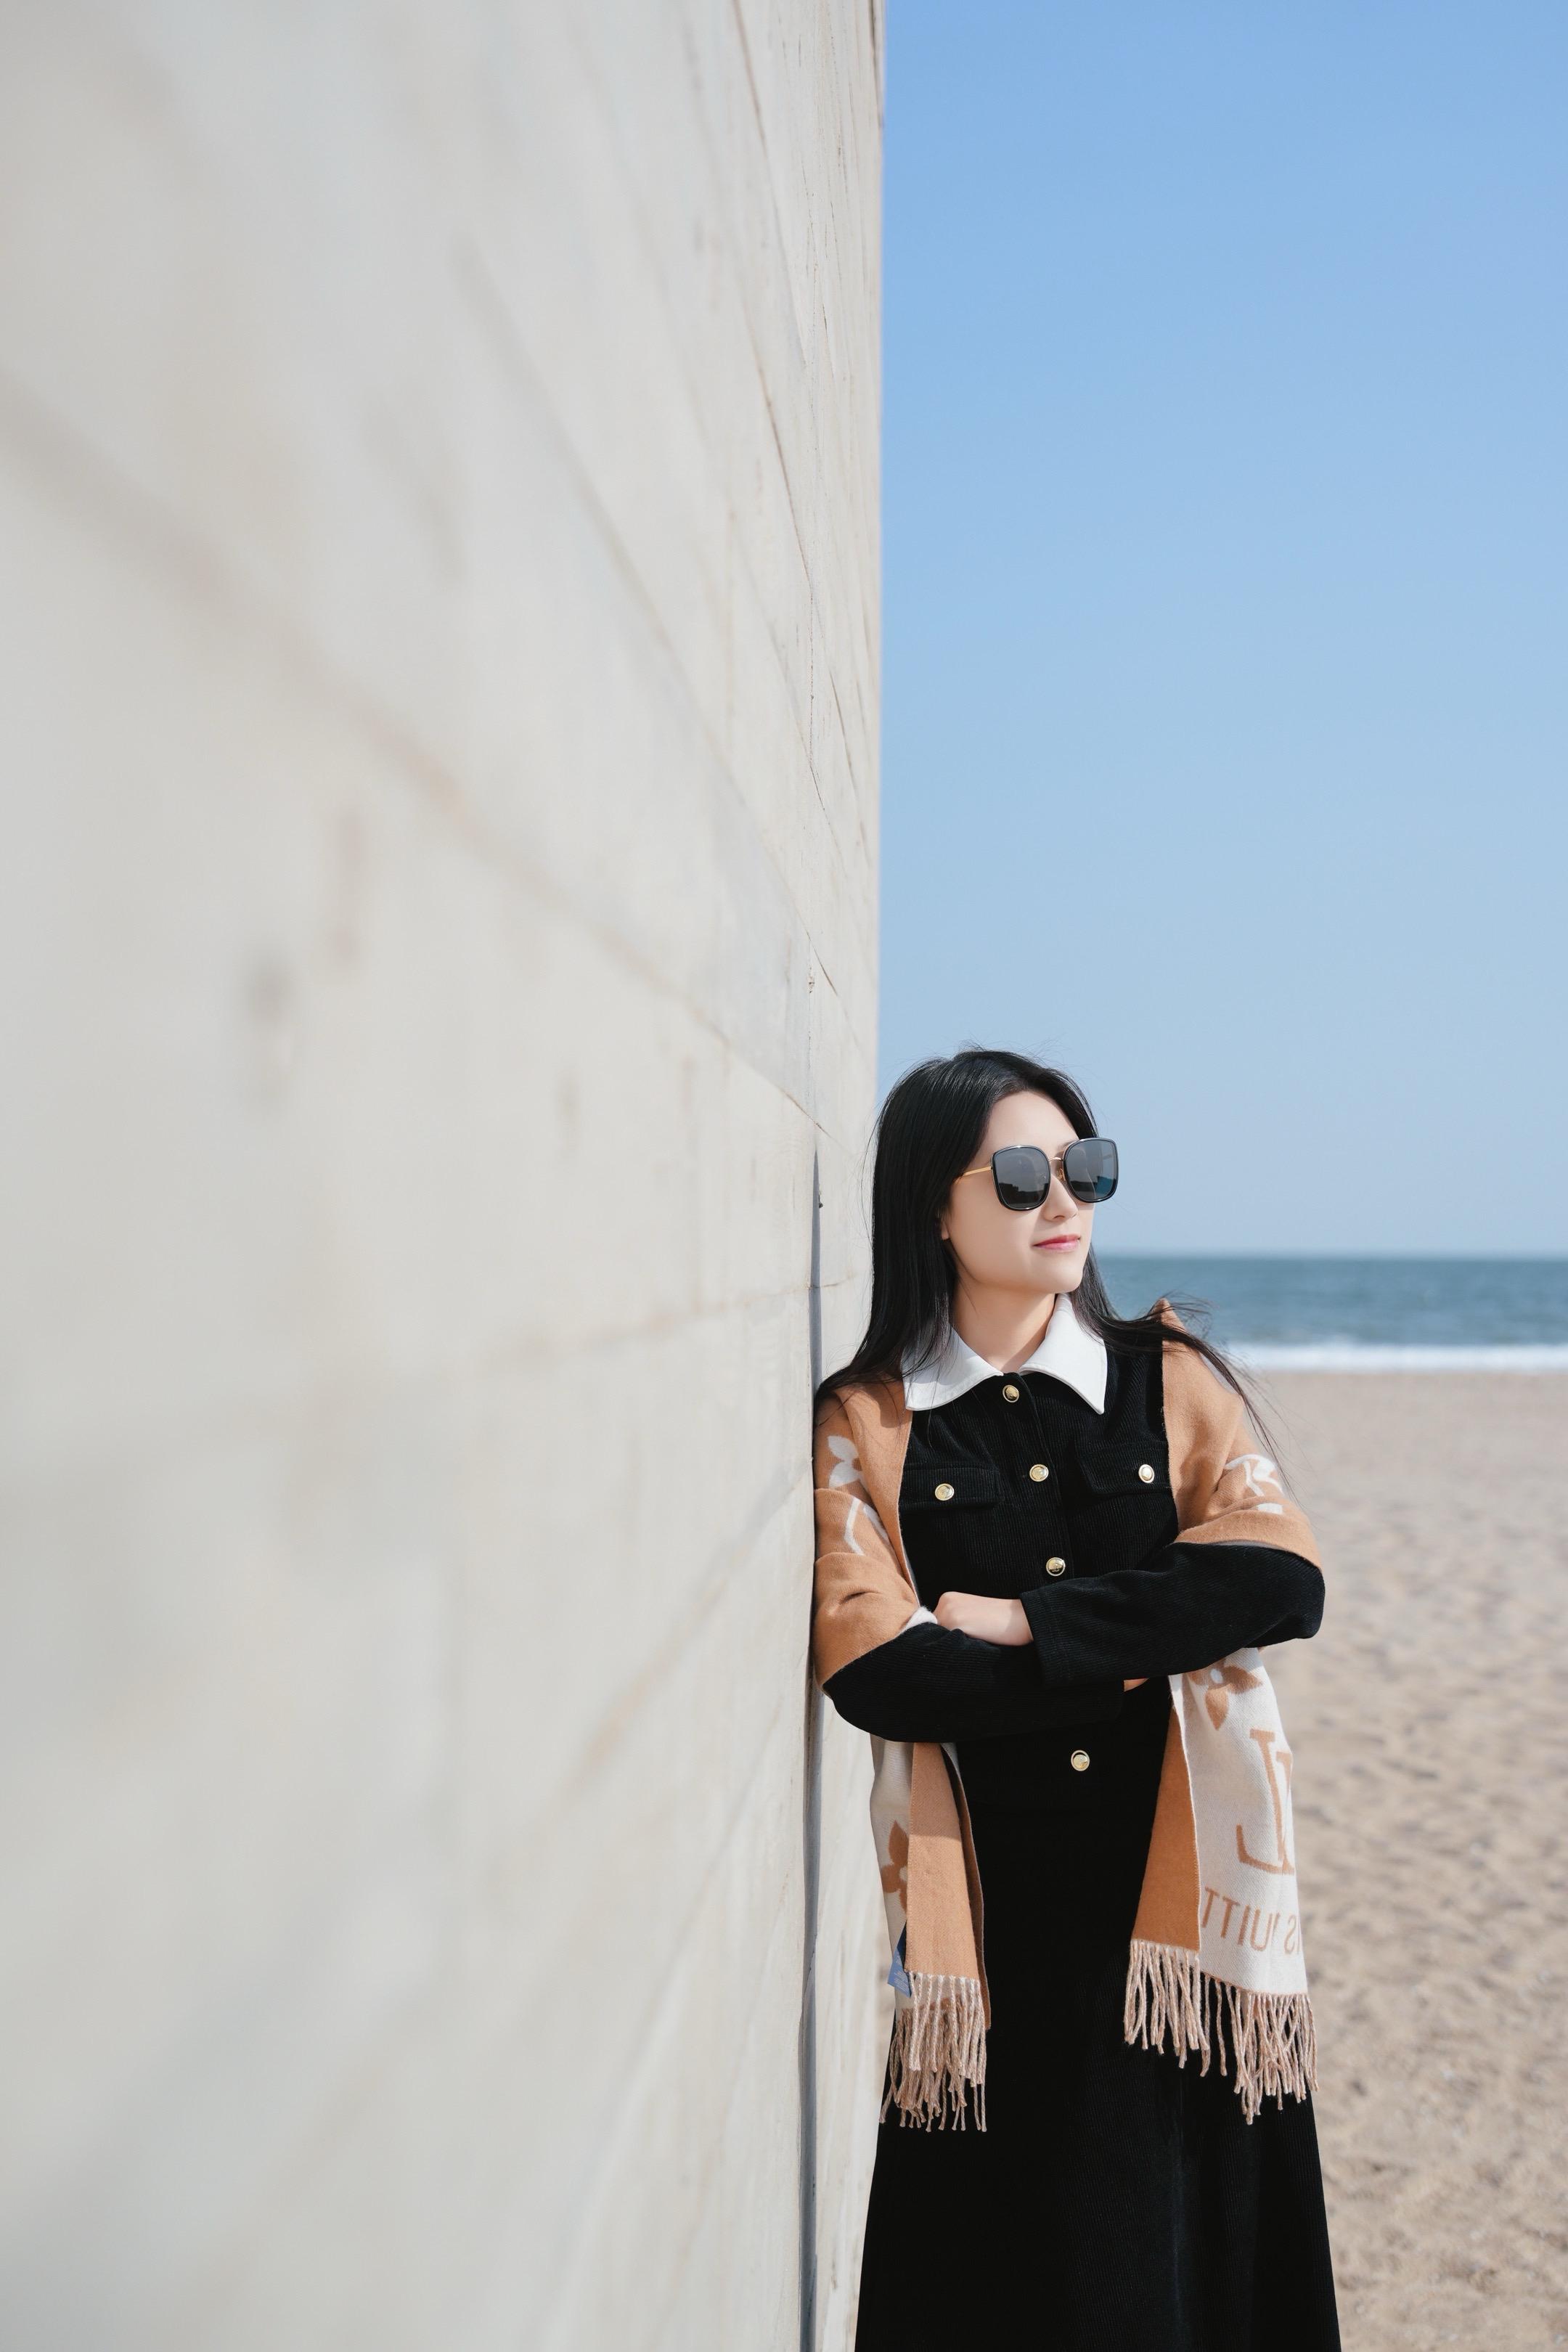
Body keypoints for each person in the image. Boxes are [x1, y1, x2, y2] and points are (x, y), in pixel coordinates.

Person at [812, 1048, 1341, 2352]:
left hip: (1182, 1936)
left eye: (1085, 1169)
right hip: (994, 1954)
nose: (1063, 1201)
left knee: (1195, 2286)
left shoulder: (1169, 1378)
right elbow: (880, 1671)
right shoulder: (867, 1425)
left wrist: (1029, 1626)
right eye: (1020, 1173)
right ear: (934, 1208)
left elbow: (1279, 1579)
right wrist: (1151, 1637)